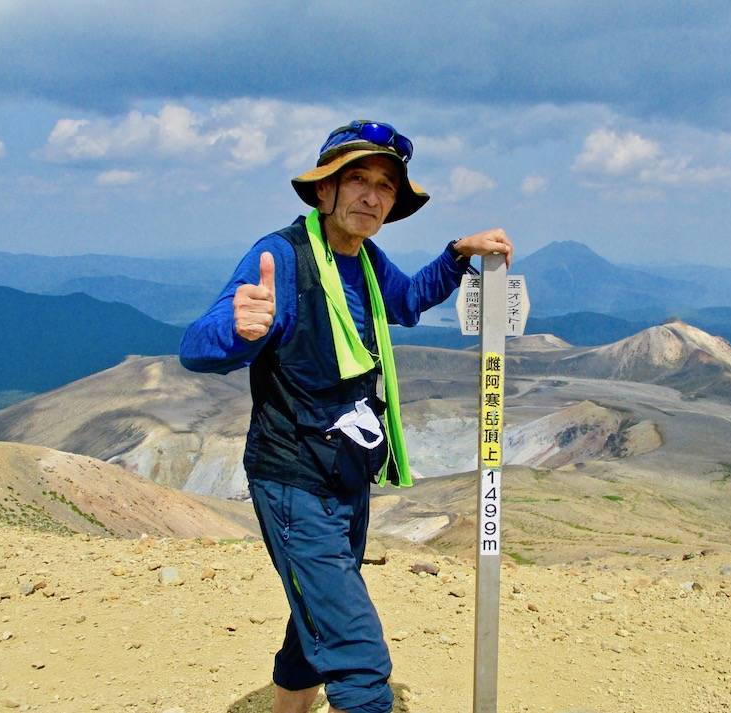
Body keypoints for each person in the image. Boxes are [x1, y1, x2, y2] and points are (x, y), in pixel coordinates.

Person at [179, 120, 513, 713]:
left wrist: (456, 254)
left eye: (385, 186)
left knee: (317, 612)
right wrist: (236, 328)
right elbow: (195, 347)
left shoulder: (366, 259)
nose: (372, 196)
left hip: (348, 471)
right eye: (357, 179)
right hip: (294, 477)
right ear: (323, 189)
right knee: (357, 653)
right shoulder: (281, 257)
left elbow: (406, 300)